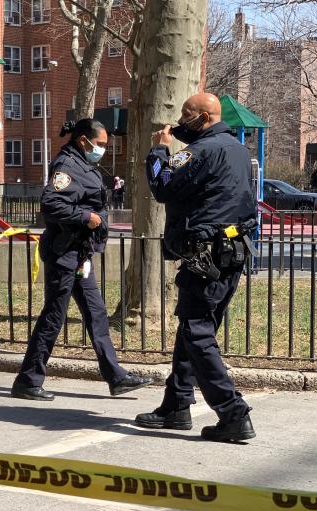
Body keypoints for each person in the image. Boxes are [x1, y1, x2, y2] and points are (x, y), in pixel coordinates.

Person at [136, 92, 257, 442]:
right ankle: (175, 406)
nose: (179, 121)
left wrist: (160, 149)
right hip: (231, 253)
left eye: (186, 115)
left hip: (206, 256)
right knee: (193, 330)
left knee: (197, 334)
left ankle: (233, 413)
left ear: (204, 117)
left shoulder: (200, 152)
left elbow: (161, 184)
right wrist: (177, 136)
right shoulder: (235, 148)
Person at [11, 118, 152, 401]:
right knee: (54, 316)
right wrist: (86, 217)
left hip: (79, 254)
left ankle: (116, 377)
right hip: (64, 253)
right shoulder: (66, 166)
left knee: (96, 314)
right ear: (83, 141)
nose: (102, 149)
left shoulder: (82, 164)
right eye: (99, 144)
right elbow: (51, 204)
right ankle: (28, 380)